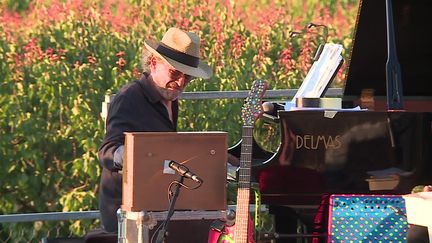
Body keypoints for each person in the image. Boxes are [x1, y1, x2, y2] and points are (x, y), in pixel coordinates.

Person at [97, 27, 213, 233]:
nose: (180, 82)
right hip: (127, 214)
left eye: (188, 78)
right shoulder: (129, 98)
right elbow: (106, 151)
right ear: (153, 63)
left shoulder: (168, 97)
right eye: (175, 73)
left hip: (156, 206)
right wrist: (134, 152)